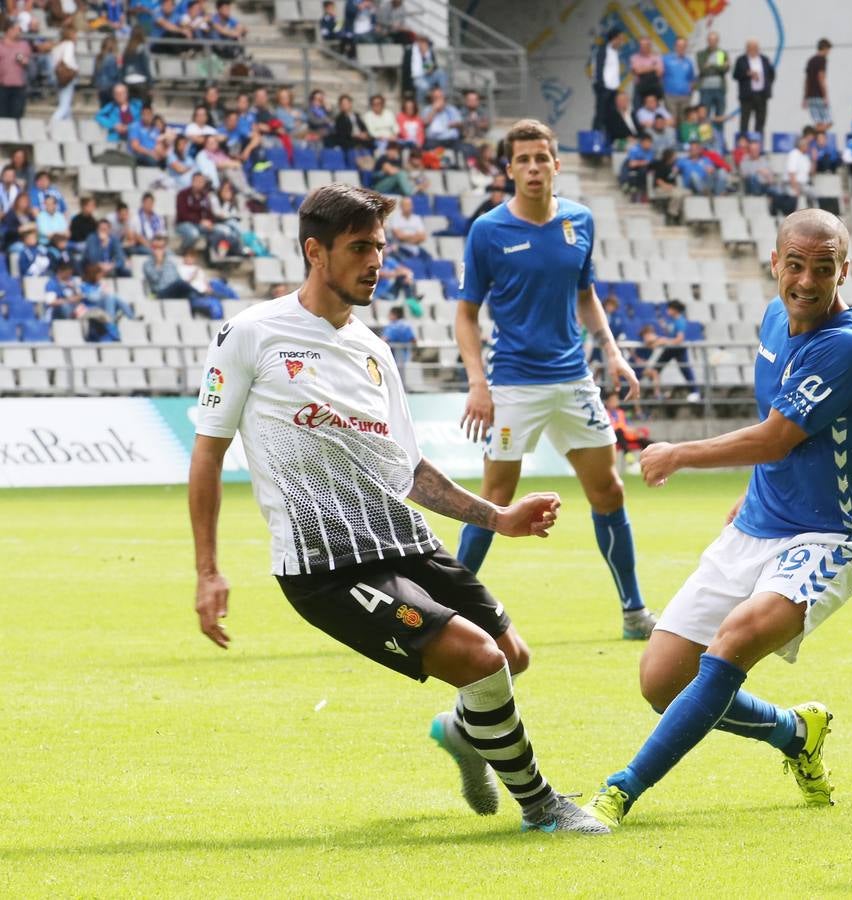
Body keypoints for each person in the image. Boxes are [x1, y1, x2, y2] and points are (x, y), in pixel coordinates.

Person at [189, 183, 606, 835]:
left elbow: (407, 469)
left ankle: (462, 734)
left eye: (380, 246)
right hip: (327, 568)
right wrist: (208, 570)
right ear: (315, 252)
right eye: (360, 247)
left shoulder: (374, 350)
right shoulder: (252, 334)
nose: (376, 261)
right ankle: (542, 805)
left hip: (404, 541)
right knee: (481, 662)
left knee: (510, 655)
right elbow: (208, 454)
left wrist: (498, 519)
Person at [582, 209, 852, 830]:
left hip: (826, 538)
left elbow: (777, 437)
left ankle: (620, 791)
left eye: (822, 269)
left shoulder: (851, 347)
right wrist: (753, 494)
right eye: (794, 265)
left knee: (737, 641)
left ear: (843, 271)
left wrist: (679, 454)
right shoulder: (776, 317)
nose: (806, 281)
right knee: (662, 680)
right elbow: (783, 432)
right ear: (775, 264)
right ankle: (796, 732)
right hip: (755, 525)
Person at [454, 120, 657, 639]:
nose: (533, 168)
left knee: (609, 491)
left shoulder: (580, 221)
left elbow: (586, 293)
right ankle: (447, 611)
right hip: (514, 385)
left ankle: (634, 612)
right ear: (509, 170)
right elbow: (466, 314)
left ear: (556, 165)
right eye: (522, 160)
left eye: (541, 158)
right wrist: (478, 383)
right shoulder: (489, 231)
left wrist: (612, 353)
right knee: (494, 500)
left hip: (573, 382)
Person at [733, 39, 775, 139]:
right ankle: (743, 142)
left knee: (760, 120)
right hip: (747, 95)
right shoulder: (741, 60)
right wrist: (747, 74)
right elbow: (735, 75)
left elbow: (771, 74)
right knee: (745, 120)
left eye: (755, 48)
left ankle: (757, 142)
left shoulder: (764, 59)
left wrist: (767, 85)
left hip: (761, 94)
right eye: (750, 48)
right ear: (747, 49)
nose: (753, 50)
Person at [591, 28, 625, 134]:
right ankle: (595, 138)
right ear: (614, 39)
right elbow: (598, 68)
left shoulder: (615, 52)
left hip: (613, 88)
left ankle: (607, 139)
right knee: (600, 114)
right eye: (620, 39)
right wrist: (601, 84)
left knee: (611, 115)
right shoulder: (603, 50)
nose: (621, 41)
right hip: (604, 88)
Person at [0, 22, 34, 119]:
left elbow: (31, 65)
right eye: (17, 29)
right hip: (2, 87)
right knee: (2, 117)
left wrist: (25, 62)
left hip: (19, 87)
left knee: (17, 116)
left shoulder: (24, 45)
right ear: (9, 30)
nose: (19, 32)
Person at [695, 31, 729, 123]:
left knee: (719, 116)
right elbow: (703, 70)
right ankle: (706, 137)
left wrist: (711, 65)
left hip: (719, 89)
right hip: (705, 90)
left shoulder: (721, 53)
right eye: (710, 40)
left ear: (717, 41)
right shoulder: (701, 54)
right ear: (707, 41)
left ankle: (719, 137)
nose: (712, 42)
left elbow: (723, 70)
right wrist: (718, 66)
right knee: (704, 116)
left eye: (714, 40)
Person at [662, 36, 695, 126]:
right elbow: (659, 74)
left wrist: (690, 92)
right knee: (672, 121)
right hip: (670, 95)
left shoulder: (689, 62)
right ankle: (672, 140)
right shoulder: (666, 59)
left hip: (685, 96)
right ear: (675, 46)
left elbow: (692, 79)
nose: (681, 48)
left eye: (684, 46)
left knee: (684, 122)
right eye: (679, 45)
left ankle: (683, 140)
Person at [803, 38, 832, 133]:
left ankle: (815, 136)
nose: (828, 52)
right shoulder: (822, 60)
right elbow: (821, 78)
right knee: (828, 122)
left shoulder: (810, 60)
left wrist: (805, 97)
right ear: (824, 48)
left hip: (810, 96)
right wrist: (825, 96)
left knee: (818, 122)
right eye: (828, 50)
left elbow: (807, 80)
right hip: (819, 95)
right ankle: (815, 136)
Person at [630, 37, 664, 110]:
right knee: (638, 110)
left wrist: (643, 69)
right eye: (641, 46)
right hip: (639, 89)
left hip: (653, 88)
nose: (643, 48)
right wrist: (652, 68)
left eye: (645, 46)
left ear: (649, 46)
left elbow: (659, 73)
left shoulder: (657, 57)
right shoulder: (634, 57)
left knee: (655, 112)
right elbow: (637, 71)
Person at [381, 303, 416, 368]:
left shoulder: (391, 326)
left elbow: (383, 340)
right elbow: (414, 340)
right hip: (406, 359)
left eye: (390, 314)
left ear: (395, 315)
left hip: (393, 361)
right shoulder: (407, 326)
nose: (388, 316)